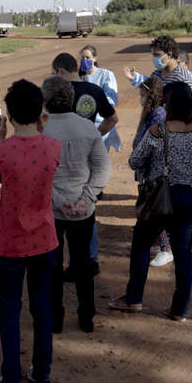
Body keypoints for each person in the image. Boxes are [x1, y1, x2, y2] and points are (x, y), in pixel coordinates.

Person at [108, 83, 192, 322]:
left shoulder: (158, 132)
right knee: (183, 252)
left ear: (167, 104)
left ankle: (134, 298)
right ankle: (180, 309)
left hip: (160, 198)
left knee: (141, 244)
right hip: (191, 198)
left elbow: (134, 161)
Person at [0, 80, 61, 383]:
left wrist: (0, 136)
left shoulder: (0, 150)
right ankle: (42, 374)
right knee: (42, 308)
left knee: (10, 311)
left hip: (11, 242)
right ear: (41, 110)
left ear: (10, 114)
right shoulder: (53, 146)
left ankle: (10, 380)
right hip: (45, 239)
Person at [41, 76, 111, 334]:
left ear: (45, 102)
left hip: (53, 209)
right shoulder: (87, 128)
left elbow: (38, 177)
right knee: (83, 265)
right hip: (83, 209)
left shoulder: (42, 131)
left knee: (52, 266)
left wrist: (59, 201)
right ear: (70, 98)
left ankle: (55, 319)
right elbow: (103, 166)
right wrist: (87, 198)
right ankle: (86, 317)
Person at [50, 53, 116, 276]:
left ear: (59, 70)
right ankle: (90, 258)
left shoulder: (52, 91)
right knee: (87, 207)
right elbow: (112, 119)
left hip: (56, 153)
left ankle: (54, 262)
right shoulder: (94, 91)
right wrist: (94, 137)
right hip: (85, 152)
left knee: (56, 206)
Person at [133, 76, 174, 268]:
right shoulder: (151, 113)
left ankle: (166, 250)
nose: (140, 98)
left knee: (157, 211)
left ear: (151, 95)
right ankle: (158, 245)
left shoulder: (158, 115)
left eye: (143, 95)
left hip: (156, 173)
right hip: (148, 171)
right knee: (150, 209)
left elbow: (154, 145)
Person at [123, 37, 192, 126]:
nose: (154, 58)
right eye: (153, 55)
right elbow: (152, 89)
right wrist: (135, 79)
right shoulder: (157, 73)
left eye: (157, 55)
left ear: (169, 54)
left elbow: (182, 114)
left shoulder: (182, 80)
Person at [79, 45, 121, 152]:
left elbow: (112, 100)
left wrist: (93, 103)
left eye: (87, 58)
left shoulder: (106, 75)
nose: (85, 60)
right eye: (82, 58)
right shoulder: (79, 78)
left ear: (95, 58)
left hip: (101, 124)